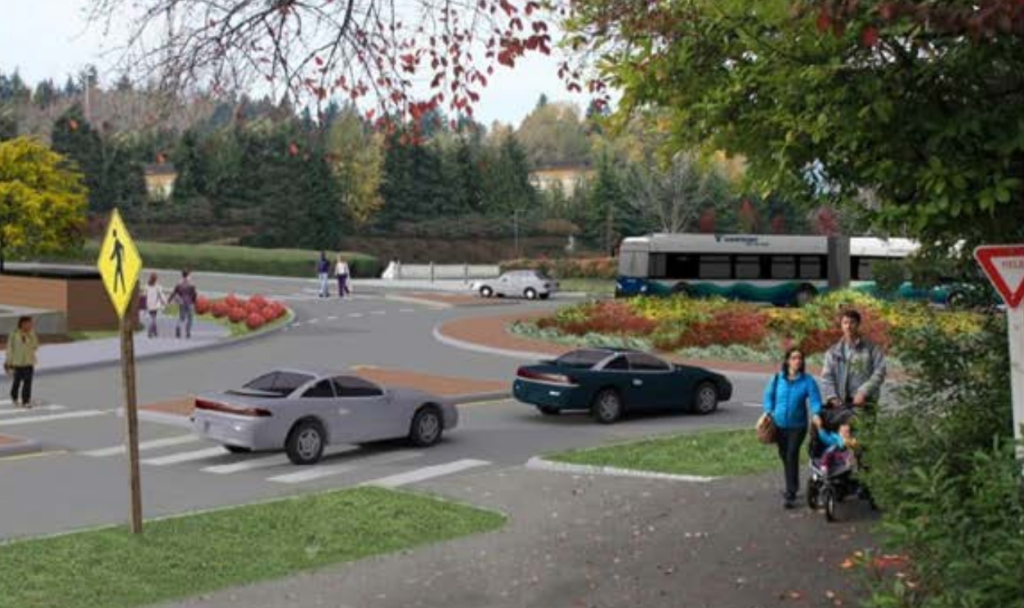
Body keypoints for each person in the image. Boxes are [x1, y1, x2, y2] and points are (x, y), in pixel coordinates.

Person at [817, 309, 887, 450]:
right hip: (842, 405)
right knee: (843, 443)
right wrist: (832, 397)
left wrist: (863, 392)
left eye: (852, 322)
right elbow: (827, 377)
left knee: (864, 442)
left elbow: (880, 372)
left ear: (858, 324)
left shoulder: (871, 348)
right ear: (841, 325)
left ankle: (865, 470)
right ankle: (845, 471)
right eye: (845, 323)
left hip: (865, 404)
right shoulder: (833, 351)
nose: (848, 326)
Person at [763, 347, 823, 509]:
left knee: (791, 454)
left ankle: (791, 493)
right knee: (784, 455)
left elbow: (816, 400)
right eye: (794, 358)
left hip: (798, 427)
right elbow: (768, 396)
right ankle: (792, 483)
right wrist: (768, 411)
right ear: (787, 360)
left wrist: (816, 413)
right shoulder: (777, 379)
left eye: (800, 358)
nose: (798, 361)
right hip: (779, 426)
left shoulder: (807, 380)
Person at [4, 316, 39, 408]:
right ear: (22, 324)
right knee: (17, 381)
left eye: (31, 323)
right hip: (17, 362)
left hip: (28, 362)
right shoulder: (14, 334)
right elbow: (10, 348)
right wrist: (8, 362)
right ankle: (14, 396)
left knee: (28, 382)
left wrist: (30, 336)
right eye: (28, 323)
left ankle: (25, 401)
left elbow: (35, 346)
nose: (30, 325)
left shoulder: (31, 333)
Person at [169, 269, 198, 339]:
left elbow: (174, 292)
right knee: (190, 318)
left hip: (181, 302)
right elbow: (194, 294)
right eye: (189, 275)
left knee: (181, 317)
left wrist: (169, 300)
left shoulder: (179, 284)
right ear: (188, 275)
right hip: (189, 302)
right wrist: (194, 302)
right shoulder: (191, 284)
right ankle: (188, 332)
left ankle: (178, 327)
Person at [144, 273, 168, 338]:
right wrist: (165, 302)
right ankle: (150, 330)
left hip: (148, 304)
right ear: (156, 279)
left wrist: (144, 305)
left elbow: (145, 296)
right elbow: (161, 296)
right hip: (155, 304)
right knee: (153, 318)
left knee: (153, 317)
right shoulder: (158, 287)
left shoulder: (146, 286)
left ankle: (155, 332)